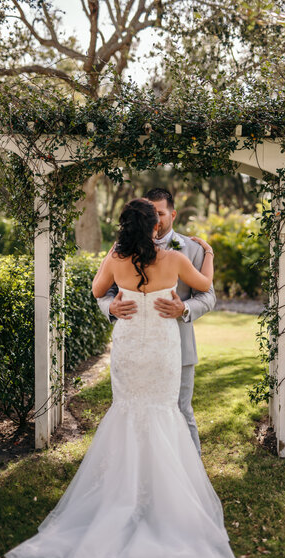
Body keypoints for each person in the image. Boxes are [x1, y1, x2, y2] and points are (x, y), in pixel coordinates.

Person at [3, 198, 244, 558]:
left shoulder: (115, 260)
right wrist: (208, 252)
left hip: (130, 350)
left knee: (129, 412)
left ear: (125, 229)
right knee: (165, 413)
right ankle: (165, 502)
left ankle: (123, 496)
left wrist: (114, 304)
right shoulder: (176, 261)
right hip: (163, 351)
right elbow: (206, 284)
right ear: (153, 228)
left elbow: (99, 291)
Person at [96, 188, 216, 456]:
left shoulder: (192, 249)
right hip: (140, 345)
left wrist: (183, 307)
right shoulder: (121, 252)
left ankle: (189, 475)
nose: (158, 220)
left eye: (161, 213)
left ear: (172, 214)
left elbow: (208, 296)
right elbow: (103, 295)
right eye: (153, 215)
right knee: (136, 410)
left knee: (180, 412)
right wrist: (111, 307)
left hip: (176, 347)